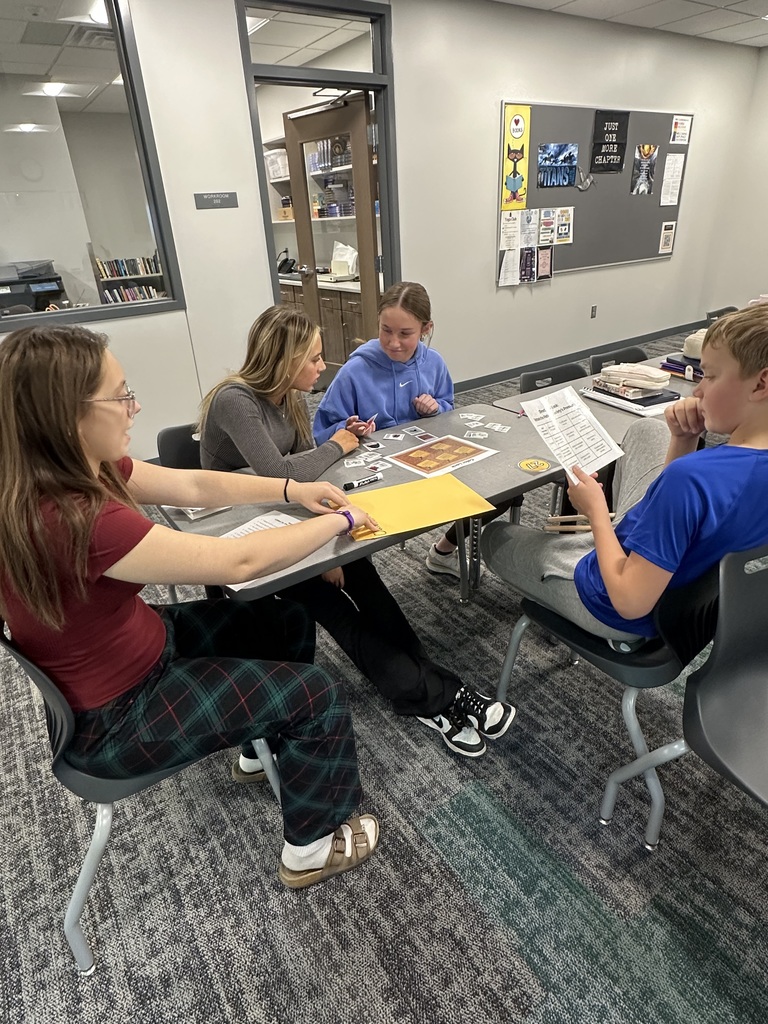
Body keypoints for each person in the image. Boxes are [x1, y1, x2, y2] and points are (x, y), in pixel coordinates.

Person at [0, 324, 384, 890]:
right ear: (69, 416)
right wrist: (341, 521)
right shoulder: (78, 518)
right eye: (121, 395)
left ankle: (262, 750)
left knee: (289, 620)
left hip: (139, 650)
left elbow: (196, 487)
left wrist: (288, 491)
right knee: (319, 696)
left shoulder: (65, 472)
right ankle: (310, 850)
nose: (134, 407)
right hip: (117, 718)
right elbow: (238, 564)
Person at [199, 304, 515, 759]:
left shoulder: (288, 394)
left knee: (363, 573)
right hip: (244, 539)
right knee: (335, 609)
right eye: (312, 358)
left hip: (289, 517)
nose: (321, 366)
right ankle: (446, 697)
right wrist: (338, 445)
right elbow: (278, 473)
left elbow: (305, 467)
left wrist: (336, 447)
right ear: (285, 361)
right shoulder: (236, 399)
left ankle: (427, 691)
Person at [482, 305, 768, 646]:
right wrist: (683, 439)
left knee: (494, 537)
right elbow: (679, 509)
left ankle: (589, 541)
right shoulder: (700, 476)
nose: (698, 392)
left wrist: (596, 512)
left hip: (617, 607)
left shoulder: (690, 479)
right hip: (684, 600)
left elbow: (630, 602)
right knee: (651, 429)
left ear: (761, 382)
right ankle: (609, 535)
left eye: (709, 375)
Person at [313, 281, 514, 580]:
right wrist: (347, 428)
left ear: (426, 329)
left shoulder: (433, 363)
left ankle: (444, 550)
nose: (393, 342)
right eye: (385, 330)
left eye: (405, 334)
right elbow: (321, 431)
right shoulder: (355, 370)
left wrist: (437, 408)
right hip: (376, 474)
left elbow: (450, 409)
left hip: (427, 462)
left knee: (500, 488)